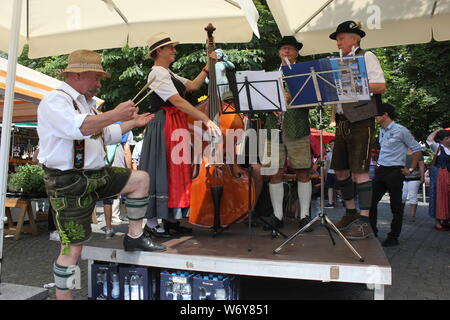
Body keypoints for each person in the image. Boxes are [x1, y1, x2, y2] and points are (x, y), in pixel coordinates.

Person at [37, 49, 165, 300]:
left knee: (140, 179)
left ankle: (135, 237)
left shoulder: (87, 105)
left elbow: (105, 135)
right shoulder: (55, 101)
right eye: (96, 77)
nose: (99, 83)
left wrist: (133, 124)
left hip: (97, 175)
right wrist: (116, 114)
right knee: (73, 248)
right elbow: (82, 128)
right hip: (68, 184)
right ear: (77, 75)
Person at [138, 32, 221, 238]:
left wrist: (206, 67)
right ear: (159, 51)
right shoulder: (156, 73)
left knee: (176, 168)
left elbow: (193, 86)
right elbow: (178, 101)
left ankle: (170, 218)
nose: (174, 51)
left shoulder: (169, 74)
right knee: (161, 168)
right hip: (163, 123)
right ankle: (150, 222)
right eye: (170, 48)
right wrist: (205, 119)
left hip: (174, 123)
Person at [328, 21, 387, 240]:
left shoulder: (366, 55)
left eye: (341, 37)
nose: (338, 42)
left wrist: (352, 81)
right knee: (340, 171)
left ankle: (364, 220)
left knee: (360, 171)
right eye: (338, 38)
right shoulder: (338, 61)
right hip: (342, 121)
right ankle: (350, 212)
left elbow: (380, 86)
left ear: (355, 38)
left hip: (362, 119)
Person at [261, 36, 313, 234]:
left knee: (303, 171)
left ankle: (304, 215)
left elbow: (313, 102)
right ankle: (277, 216)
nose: (287, 52)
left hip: (297, 127)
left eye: (290, 49)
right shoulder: (270, 75)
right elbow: (258, 100)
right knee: (274, 172)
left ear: (297, 52)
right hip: (273, 129)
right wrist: (270, 106)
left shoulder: (306, 74)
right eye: (283, 49)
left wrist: (294, 97)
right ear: (279, 52)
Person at [369, 103, 422, 247]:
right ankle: (372, 232)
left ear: (385, 114)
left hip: (395, 171)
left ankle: (393, 236)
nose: (375, 116)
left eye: (377, 114)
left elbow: (417, 149)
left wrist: (410, 169)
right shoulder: (381, 130)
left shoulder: (401, 130)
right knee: (371, 203)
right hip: (381, 170)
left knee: (396, 206)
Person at [102, 124, 133, 238]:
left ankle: (108, 228)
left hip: (104, 163)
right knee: (128, 192)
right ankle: (133, 230)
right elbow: (127, 151)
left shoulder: (106, 125)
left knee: (107, 198)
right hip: (118, 162)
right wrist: (129, 170)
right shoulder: (126, 129)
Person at [426, 129, 450, 230]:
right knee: (438, 197)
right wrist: (438, 130)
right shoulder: (438, 147)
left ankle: (446, 220)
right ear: (440, 140)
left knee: (447, 198)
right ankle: (437, 222)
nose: (449, 140)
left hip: (448, 175)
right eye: (446, 138)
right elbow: (429, 139)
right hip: (440, 176)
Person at [402, 148, 426, 222]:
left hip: (414, 177)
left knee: (412, 195)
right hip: (402, 177)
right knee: (402, 196)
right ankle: (399, 213)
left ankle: (412, 216)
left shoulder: (417, 152)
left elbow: (422, 166)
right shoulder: (401, 150)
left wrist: (422, 177)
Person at [325, 140, 337, 208]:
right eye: (331, 145)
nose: (332, 146)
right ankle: (330, 203)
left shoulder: (339, 153)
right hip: (330, 172)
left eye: (333, 144)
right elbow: (327, 164)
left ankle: (345, 200)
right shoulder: (328, 154)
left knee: (338, 188)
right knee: (330, 187)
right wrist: (326, 173)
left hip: (337, 173)